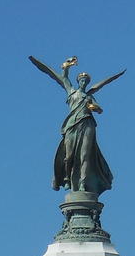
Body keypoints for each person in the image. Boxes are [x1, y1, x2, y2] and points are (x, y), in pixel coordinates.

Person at [28, 55, 125, 195]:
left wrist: (95, 108)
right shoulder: (71, 92)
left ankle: (82, 183)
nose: (84, 82)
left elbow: (100, 110)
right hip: (72, 125)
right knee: (69, 156)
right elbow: (64, 78)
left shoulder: (89, 97)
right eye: (82, 80)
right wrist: (67, 67)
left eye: (86, 81)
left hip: (87, 124)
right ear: (78, 81)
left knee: (85, 155)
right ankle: (67, 178)